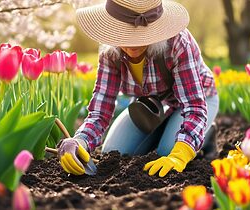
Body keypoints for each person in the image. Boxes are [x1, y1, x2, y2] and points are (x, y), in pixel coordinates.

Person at [57, 0, 219, 177]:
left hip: (198, 99)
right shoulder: (110, 51)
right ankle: (168, 130)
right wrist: (81, 140)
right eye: (123, 33)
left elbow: (194, 107)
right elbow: (100, 111)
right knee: (113, 152)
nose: (131, 44)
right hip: (152, 104)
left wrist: (179, 154)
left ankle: (206, 132)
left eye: (139, 35)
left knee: (167, 151)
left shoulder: (177, 43)